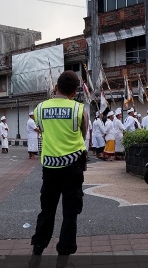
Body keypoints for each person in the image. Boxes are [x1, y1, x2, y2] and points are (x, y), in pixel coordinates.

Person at [29, 71, 89, 268]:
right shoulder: (79, 109)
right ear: (74, 91)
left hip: (50, 167)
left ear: (56, 88)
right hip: (73, 166)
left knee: (47, 210)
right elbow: (83, 133)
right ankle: (63, 259)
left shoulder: (40, 108)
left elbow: (42, 129)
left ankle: (37, 251)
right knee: (70, 213)